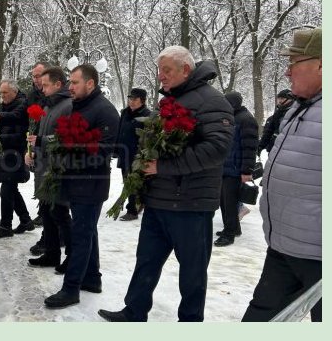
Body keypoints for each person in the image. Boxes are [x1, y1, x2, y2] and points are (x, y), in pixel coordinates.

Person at [98, 46, 234, 321]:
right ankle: (134, 311)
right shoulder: (170, 101)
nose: (161, 76)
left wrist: (163, 166)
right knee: (146, 261)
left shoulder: (212, 101)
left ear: (186, 69)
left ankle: (190, 321)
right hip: (158, 199)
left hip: (191, 204)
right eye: (160, 70)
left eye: (167, 70)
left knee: (192, 272)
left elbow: (217, 149)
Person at [242, 27, 321, 322]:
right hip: (284, 248)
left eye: (294, 64)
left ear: (322, 64)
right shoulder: (299, 108)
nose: (287, 73)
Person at [43, 64, 120, 308]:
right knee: (88, 231)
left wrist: (71, 150)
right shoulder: (81, 106)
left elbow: (106, 151)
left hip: (91, 184)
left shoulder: (105, 111)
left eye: (75, 83)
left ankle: (71, 288)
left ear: (90, 83)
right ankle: (92, 278)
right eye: (70, 83)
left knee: (81, 235)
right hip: (76, 181)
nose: (70, 87)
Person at [25, 67, 73, 272]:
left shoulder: (68, 106)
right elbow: (42, 137)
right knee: (46, 213)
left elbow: (67, 138)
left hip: (57, 170)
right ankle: (52, 254)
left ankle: (72, 257)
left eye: (45, 85)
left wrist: (41, 142)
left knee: (60, 215)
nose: (41, 89)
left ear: (58, 85)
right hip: (43, 169)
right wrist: (33, 150)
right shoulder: (47, 107)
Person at [0, 80, 35, 239]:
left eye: (5, 92)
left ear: (14, 92)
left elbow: (21, 135)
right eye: (1, 92)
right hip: (5, 156)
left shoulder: (22, 105)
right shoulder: (3, 107)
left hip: (16, 156)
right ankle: (26, 220)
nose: (2, 96)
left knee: (7, 190)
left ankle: (5, 226)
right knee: (11, 189)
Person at [214, 91, 258, 247]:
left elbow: (250, 147)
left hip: (236, 169)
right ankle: (234, 228)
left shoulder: (246, 120)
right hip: (225, 167)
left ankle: (229, 233)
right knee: (224, 201)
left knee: (230, 202)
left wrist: (247, 170)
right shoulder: (230, 118)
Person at [115, 88, 152, 221]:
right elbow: (120, 131)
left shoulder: (147, 115)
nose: (131, 101)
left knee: (134, 183)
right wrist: (116, 149)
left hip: (137, 156)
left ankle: (132, 210)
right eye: (130, 98)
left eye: (135, 99)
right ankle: (138, 205)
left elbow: (148, 138)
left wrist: (143, 155)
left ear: (142, 100)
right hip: (124, 153)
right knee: (127, 181)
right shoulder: (125, 112)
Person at [26, 61, 51, 231]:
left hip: (49, 144)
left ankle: (47, 214)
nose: (36, 79)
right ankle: (43, 211)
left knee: (47, 180)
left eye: (39, 76)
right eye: (34, 76)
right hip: (35, 142)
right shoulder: (31, 95)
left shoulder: (53, 96)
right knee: (38, 179)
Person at [257, 89, 296, 156]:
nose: (280, 101)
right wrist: (261, 145)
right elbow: (269, 131)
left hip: (289, 150)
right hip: (274, 148)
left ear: (290, 99)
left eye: (282, 98)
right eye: (279, 99)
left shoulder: (296, 112)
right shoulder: (278, 113)